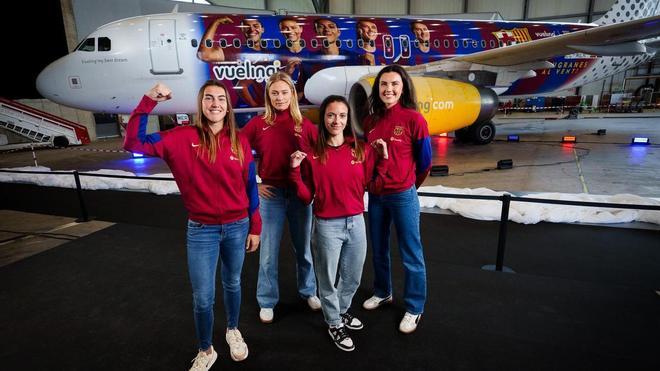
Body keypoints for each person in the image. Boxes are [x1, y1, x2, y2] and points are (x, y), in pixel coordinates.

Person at [123, 81, 261, 370]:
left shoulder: (239, 140)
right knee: (203, 297)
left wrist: (255, 226)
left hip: (238, 226)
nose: (215, 104)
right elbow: (133, 143)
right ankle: (205, 348)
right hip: (202, 231)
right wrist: (149, 101)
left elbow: (250, 186)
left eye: (221, 98)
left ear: (228, 104)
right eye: (208, 98)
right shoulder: (181, 137)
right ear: (200, 104)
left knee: (233, 282)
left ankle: (233, 330)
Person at [289, 95, 389, 351]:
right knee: (327, 279)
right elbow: (305, 196)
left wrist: (384, 158)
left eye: (342, 115)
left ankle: (341, 311)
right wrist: (294, 171)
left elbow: (374, 185)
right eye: (331, 115)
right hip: (326, 226)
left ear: (348, 119)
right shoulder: (313, 156)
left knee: (353, 277)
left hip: (356, 222)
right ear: (323, 118)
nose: (337, 120)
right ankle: (333, 321)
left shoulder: (361, 149)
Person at [241, 72, 320, 324]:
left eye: (284, 92)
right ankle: (266, 300)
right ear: (268, 96)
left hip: (298, 195)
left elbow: (320, 159)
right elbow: (236, 152)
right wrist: (255, 183)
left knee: (303, 248)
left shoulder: (305, 125)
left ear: (292, 94)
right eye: (274, 93)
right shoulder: (258, 123)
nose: (280, 97)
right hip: (271, 194)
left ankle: (308, 290)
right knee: (268, 252)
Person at [360, 64, 432, 334]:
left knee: (411, 254)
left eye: (394, 85)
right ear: (377, 89)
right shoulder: (369, 122)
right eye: (384, 85)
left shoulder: (414, 119)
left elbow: (425, 162)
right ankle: (382, 291)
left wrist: (409, 187)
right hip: (377, 196)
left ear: (403, 88)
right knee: (378, 249)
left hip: (402, 195)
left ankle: (414, 307)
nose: (388, 89)